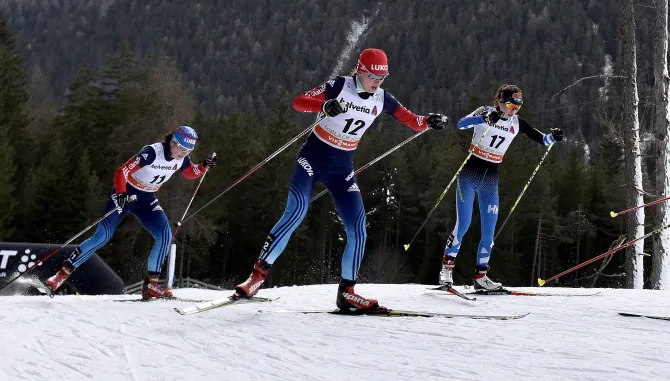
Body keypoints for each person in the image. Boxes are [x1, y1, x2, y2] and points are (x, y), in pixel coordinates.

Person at [234, 48, 448, 313]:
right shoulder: (339, 85)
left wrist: (429, 120)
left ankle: (347, 293)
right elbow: (299, 102)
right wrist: (323, 105)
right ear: (360, 70)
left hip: (342, 168)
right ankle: (257, 277)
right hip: (313, 159)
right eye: (373, 76)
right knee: (297, 211)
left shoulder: (383, 98)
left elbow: (411, 120)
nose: (377, 82)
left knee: (358, 229)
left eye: (382, 77)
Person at [44, 126, 216, 299]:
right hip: (126, 194)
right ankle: (61, 275)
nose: (184, 153)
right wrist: (121, 194)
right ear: (173, 142)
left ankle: (151, 286)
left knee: (165, 235)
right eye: (183, 148)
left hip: (147, 199)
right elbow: (122, 171)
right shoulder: (152, 153)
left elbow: (189, 172)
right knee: (102, 236)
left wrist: (203, 167)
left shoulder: (181, 157)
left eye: (189, 150)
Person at [439, 84, 563, 293]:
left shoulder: (517, 123)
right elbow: (461, 124)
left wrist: (554, 137)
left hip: (490, 180)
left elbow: (542, 139)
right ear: (499, 102)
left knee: (489, 232)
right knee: (464, 224)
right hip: (469, 175)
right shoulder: (485, 112)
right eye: (510, 105)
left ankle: (481, 277)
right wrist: (483, 120)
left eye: (518, 106)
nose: (514, 110)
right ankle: (446, 270)